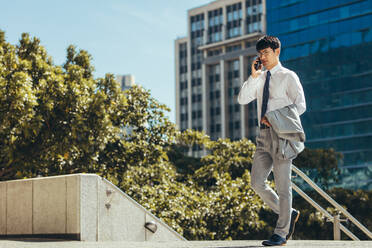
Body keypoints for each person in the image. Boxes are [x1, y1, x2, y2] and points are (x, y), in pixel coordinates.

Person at [238, 35, 306, 246]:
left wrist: (276, 118)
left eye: (266, 53)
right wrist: (253, 76)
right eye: (260, 54)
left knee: (283, 187)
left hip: (282, 136)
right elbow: (242, 99)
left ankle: (281, 233)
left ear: (277, 52)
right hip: (263, 136)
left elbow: (300, 106)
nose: (263, 57)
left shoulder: (288, 76)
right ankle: (288, 212)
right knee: (256, 182)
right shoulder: (260, 78)